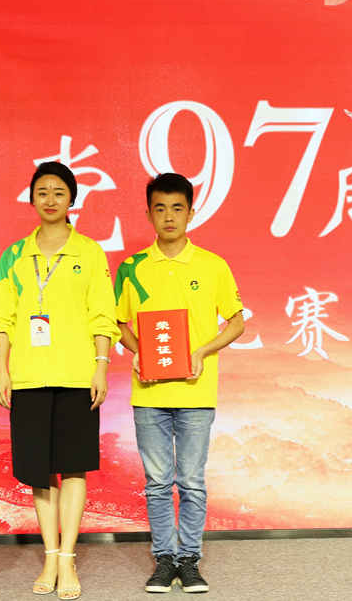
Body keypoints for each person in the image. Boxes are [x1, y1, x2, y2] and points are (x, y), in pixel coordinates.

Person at [0, 161, 120, 601]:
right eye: (42, 191)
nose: (50, 199)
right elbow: (2, 319)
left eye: (59, 192)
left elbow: (102, 314)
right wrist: (2, 370)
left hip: (76, 373)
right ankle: (49, 555)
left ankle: (67, 558)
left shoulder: (90, 252)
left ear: (72, 200)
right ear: (31, 199)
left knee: (74, 466)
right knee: (40, 472)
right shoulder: (13, 256)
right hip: (28, 376)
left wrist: (100, 366)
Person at [114, 173, 245, 594]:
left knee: (191, 481)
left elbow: (237, 322)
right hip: (149, 393)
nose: (169, 216)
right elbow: (118, 322)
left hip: (196, 392)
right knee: (156, 483)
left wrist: (202, 352)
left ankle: (189, 559)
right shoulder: (132, 267)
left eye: (177, 208)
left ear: (191, 213)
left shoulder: (212, 265)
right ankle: (164, 559)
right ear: (148, 214)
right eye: (160, 208)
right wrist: (139, 351)